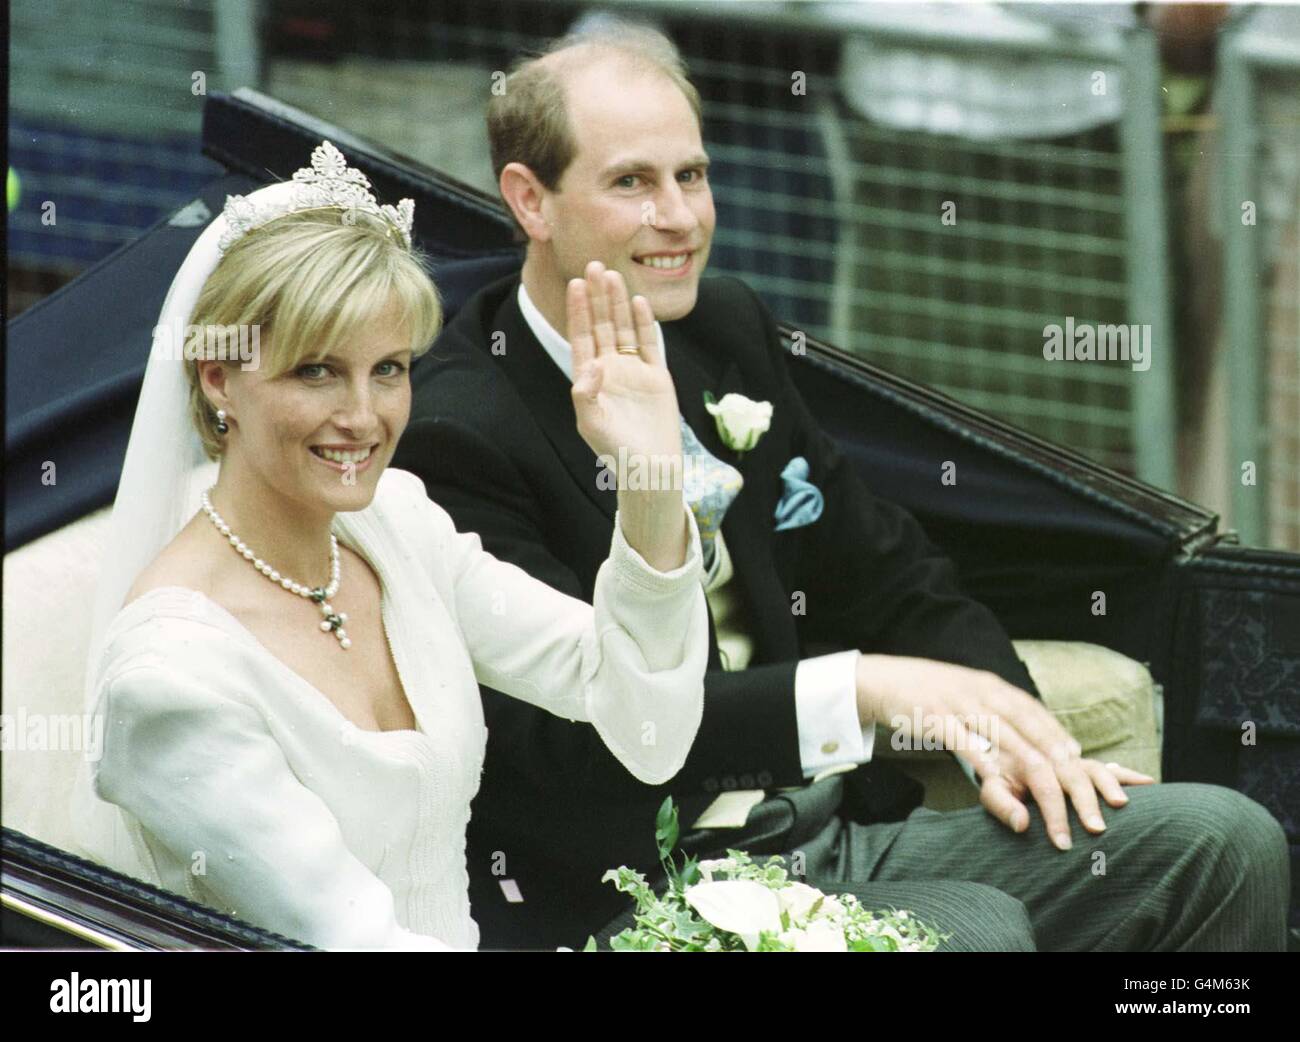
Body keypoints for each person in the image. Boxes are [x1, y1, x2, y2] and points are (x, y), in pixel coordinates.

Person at [392, 24, 1291, 950]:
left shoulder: (722, 325)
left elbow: (884, 566)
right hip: (642, 886)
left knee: (1227, 844)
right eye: (633, 183)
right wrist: (857, 690)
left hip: (836, 834)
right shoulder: (461, 429)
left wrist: (1009, 724)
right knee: (978, 934)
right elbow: (585, 741)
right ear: (529, 199)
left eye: (692, 176)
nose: (682, 218)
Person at [68, 140, 710, 950]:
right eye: (317, 372)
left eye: (390, 369)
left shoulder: (395, 523)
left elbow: (643, 721)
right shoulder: (170, 681)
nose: (365, 417)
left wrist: (650, 481)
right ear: (218, 376)